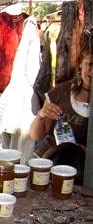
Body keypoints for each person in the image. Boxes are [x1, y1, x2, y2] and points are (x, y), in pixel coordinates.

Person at [29, 45, 90, 184]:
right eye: (90, 64)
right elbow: (35, 135)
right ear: (81, 63)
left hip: (84, 172)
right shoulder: (60, 93)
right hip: (51, 162)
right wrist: (41, 115)